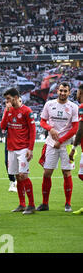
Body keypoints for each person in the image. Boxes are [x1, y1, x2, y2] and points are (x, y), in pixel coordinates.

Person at [38, 82, 78, 212]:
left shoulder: (73, 107)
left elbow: (75, 128)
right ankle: (45, 203)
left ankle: (68, 203)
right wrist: (50, 129)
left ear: (69, 92)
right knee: (47, 172)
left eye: (65, 91)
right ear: (57, 91)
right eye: (61, 90)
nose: (62, 93)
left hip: (66, 145)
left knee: (66, 172)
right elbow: (42, 121)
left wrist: (60, 140)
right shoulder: (49, 104)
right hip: (51, 143)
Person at [0, 88, 36, 214]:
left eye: (8, 98)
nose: (7, 101)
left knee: (23, 175)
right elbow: (3, 127)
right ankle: (22, 204)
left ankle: (31, 205)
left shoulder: (27, 111)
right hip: (11, 148)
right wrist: (6, 111)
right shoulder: (8, 110)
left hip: (23, 149)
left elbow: (33, 131)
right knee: (17, 176)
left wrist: (30, 149)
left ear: (16, 98)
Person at [68, 83, 83, 215]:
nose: (76, 95)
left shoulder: (82, 107)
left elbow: (80, 130)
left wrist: (73, 148)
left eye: (78, 92)